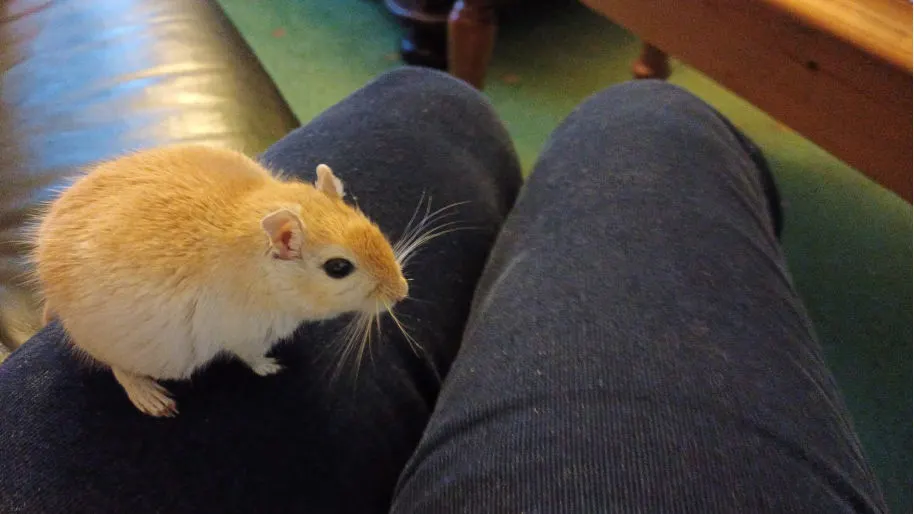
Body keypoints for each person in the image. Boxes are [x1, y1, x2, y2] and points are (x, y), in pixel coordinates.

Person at [0, 66, 886, 513]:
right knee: (648, 116)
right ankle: (120, 371)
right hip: (129, 309)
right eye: (345, 271)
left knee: (429, 94)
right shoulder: (262, 276)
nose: (390, 286)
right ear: (283, 248)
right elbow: (238, 324)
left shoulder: (291, 223)